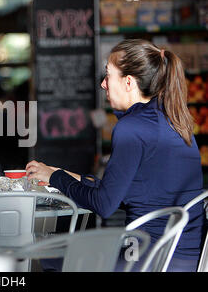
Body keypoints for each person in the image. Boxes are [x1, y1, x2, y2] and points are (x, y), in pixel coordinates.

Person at [26, 39, 206, 272]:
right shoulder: (175, 122)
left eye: (108, 76)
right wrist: (68, 176)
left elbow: (104, 205)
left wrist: (57, 178)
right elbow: (132, 194)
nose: (103, 84)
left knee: (48, 258)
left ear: (129, 82)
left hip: (149, 259)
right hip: (185, 258)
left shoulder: (131, 128)